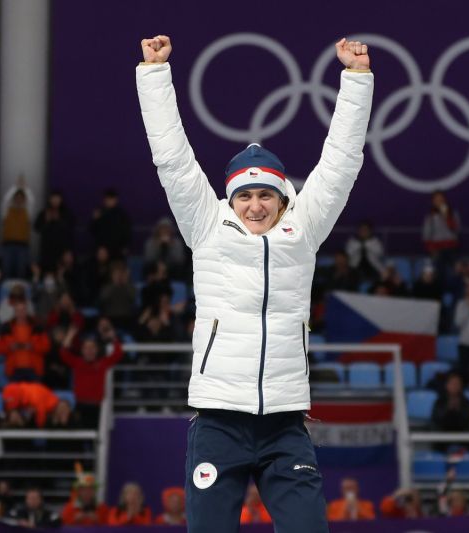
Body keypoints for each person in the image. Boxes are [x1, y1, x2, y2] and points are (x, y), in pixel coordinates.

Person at [137, 34, 372, 533]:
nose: (255, 205)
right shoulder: (206, 225)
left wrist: (356, 79)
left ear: (284, 198)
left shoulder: (303, 230)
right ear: (230, 199)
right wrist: (155, 74)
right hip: (218, 421)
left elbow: (341, 163)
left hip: (285, 423)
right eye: (245, 195)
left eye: (266, 194)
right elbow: (173, 160)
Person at [60, 326, 123, 428]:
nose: (89, 350)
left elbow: (118, 354)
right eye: (86, 348)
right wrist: (70, 335)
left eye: (92, 347)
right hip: (80, 406)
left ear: (97, 350)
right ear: (82, 350)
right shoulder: (77, 362)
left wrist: (113, 338)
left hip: (96, 407)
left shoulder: (102, 363)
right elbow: (63, 353)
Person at [0, 300, 51, 381]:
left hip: (34, 370)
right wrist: (10, 347)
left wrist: (33, 347)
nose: (21, 313)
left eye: (23, 310)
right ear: (14, 312)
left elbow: (46, 347)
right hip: (14, 370)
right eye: (18, 310)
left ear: (27, 311)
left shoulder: (38, 326)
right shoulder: (6, 327)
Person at [430, 372, 469, 449]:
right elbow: (436, 417)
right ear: (447, 385)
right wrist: (448, 408)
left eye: (457, 384)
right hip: (443, 434)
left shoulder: (466, 401)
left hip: (462, 434)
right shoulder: (440, 401)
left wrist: (458, 409)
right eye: (452, 383)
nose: (455, 386)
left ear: (461, 386)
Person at [423, 191, 460, 282]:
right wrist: (431, 249)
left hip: (451, 248)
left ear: (444, 200)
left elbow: (457, 229)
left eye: (441, 199)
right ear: (433, 202)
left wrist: (447, 217)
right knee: (438, 274)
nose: (439, 202)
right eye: (436, 200)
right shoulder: (430, 216)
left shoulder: (453, 214)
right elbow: (426, 234)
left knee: (455, 273)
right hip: (437, 249)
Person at [34, 190, 75, 272]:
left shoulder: (66, 213)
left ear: (61, 200)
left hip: (62, 250)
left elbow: (70, 229)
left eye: (57, 198)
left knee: (62, 272)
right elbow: (36, 228)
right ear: (50, 199)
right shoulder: (44, 212)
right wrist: (46, 221)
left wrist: (59, 220)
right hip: (47, 250)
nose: (55, 200)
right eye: (53, 198)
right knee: (47, 273)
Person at [89, 188, 132, 258]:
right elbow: (92, 230)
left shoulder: (121, 215)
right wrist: (94, 220)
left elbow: (127, 232)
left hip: (117, 249)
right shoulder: (99, 213)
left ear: (116, 200)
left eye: (111, 199)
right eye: (107, 199)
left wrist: (124, 246)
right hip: (101, 250)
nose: (109, 201)